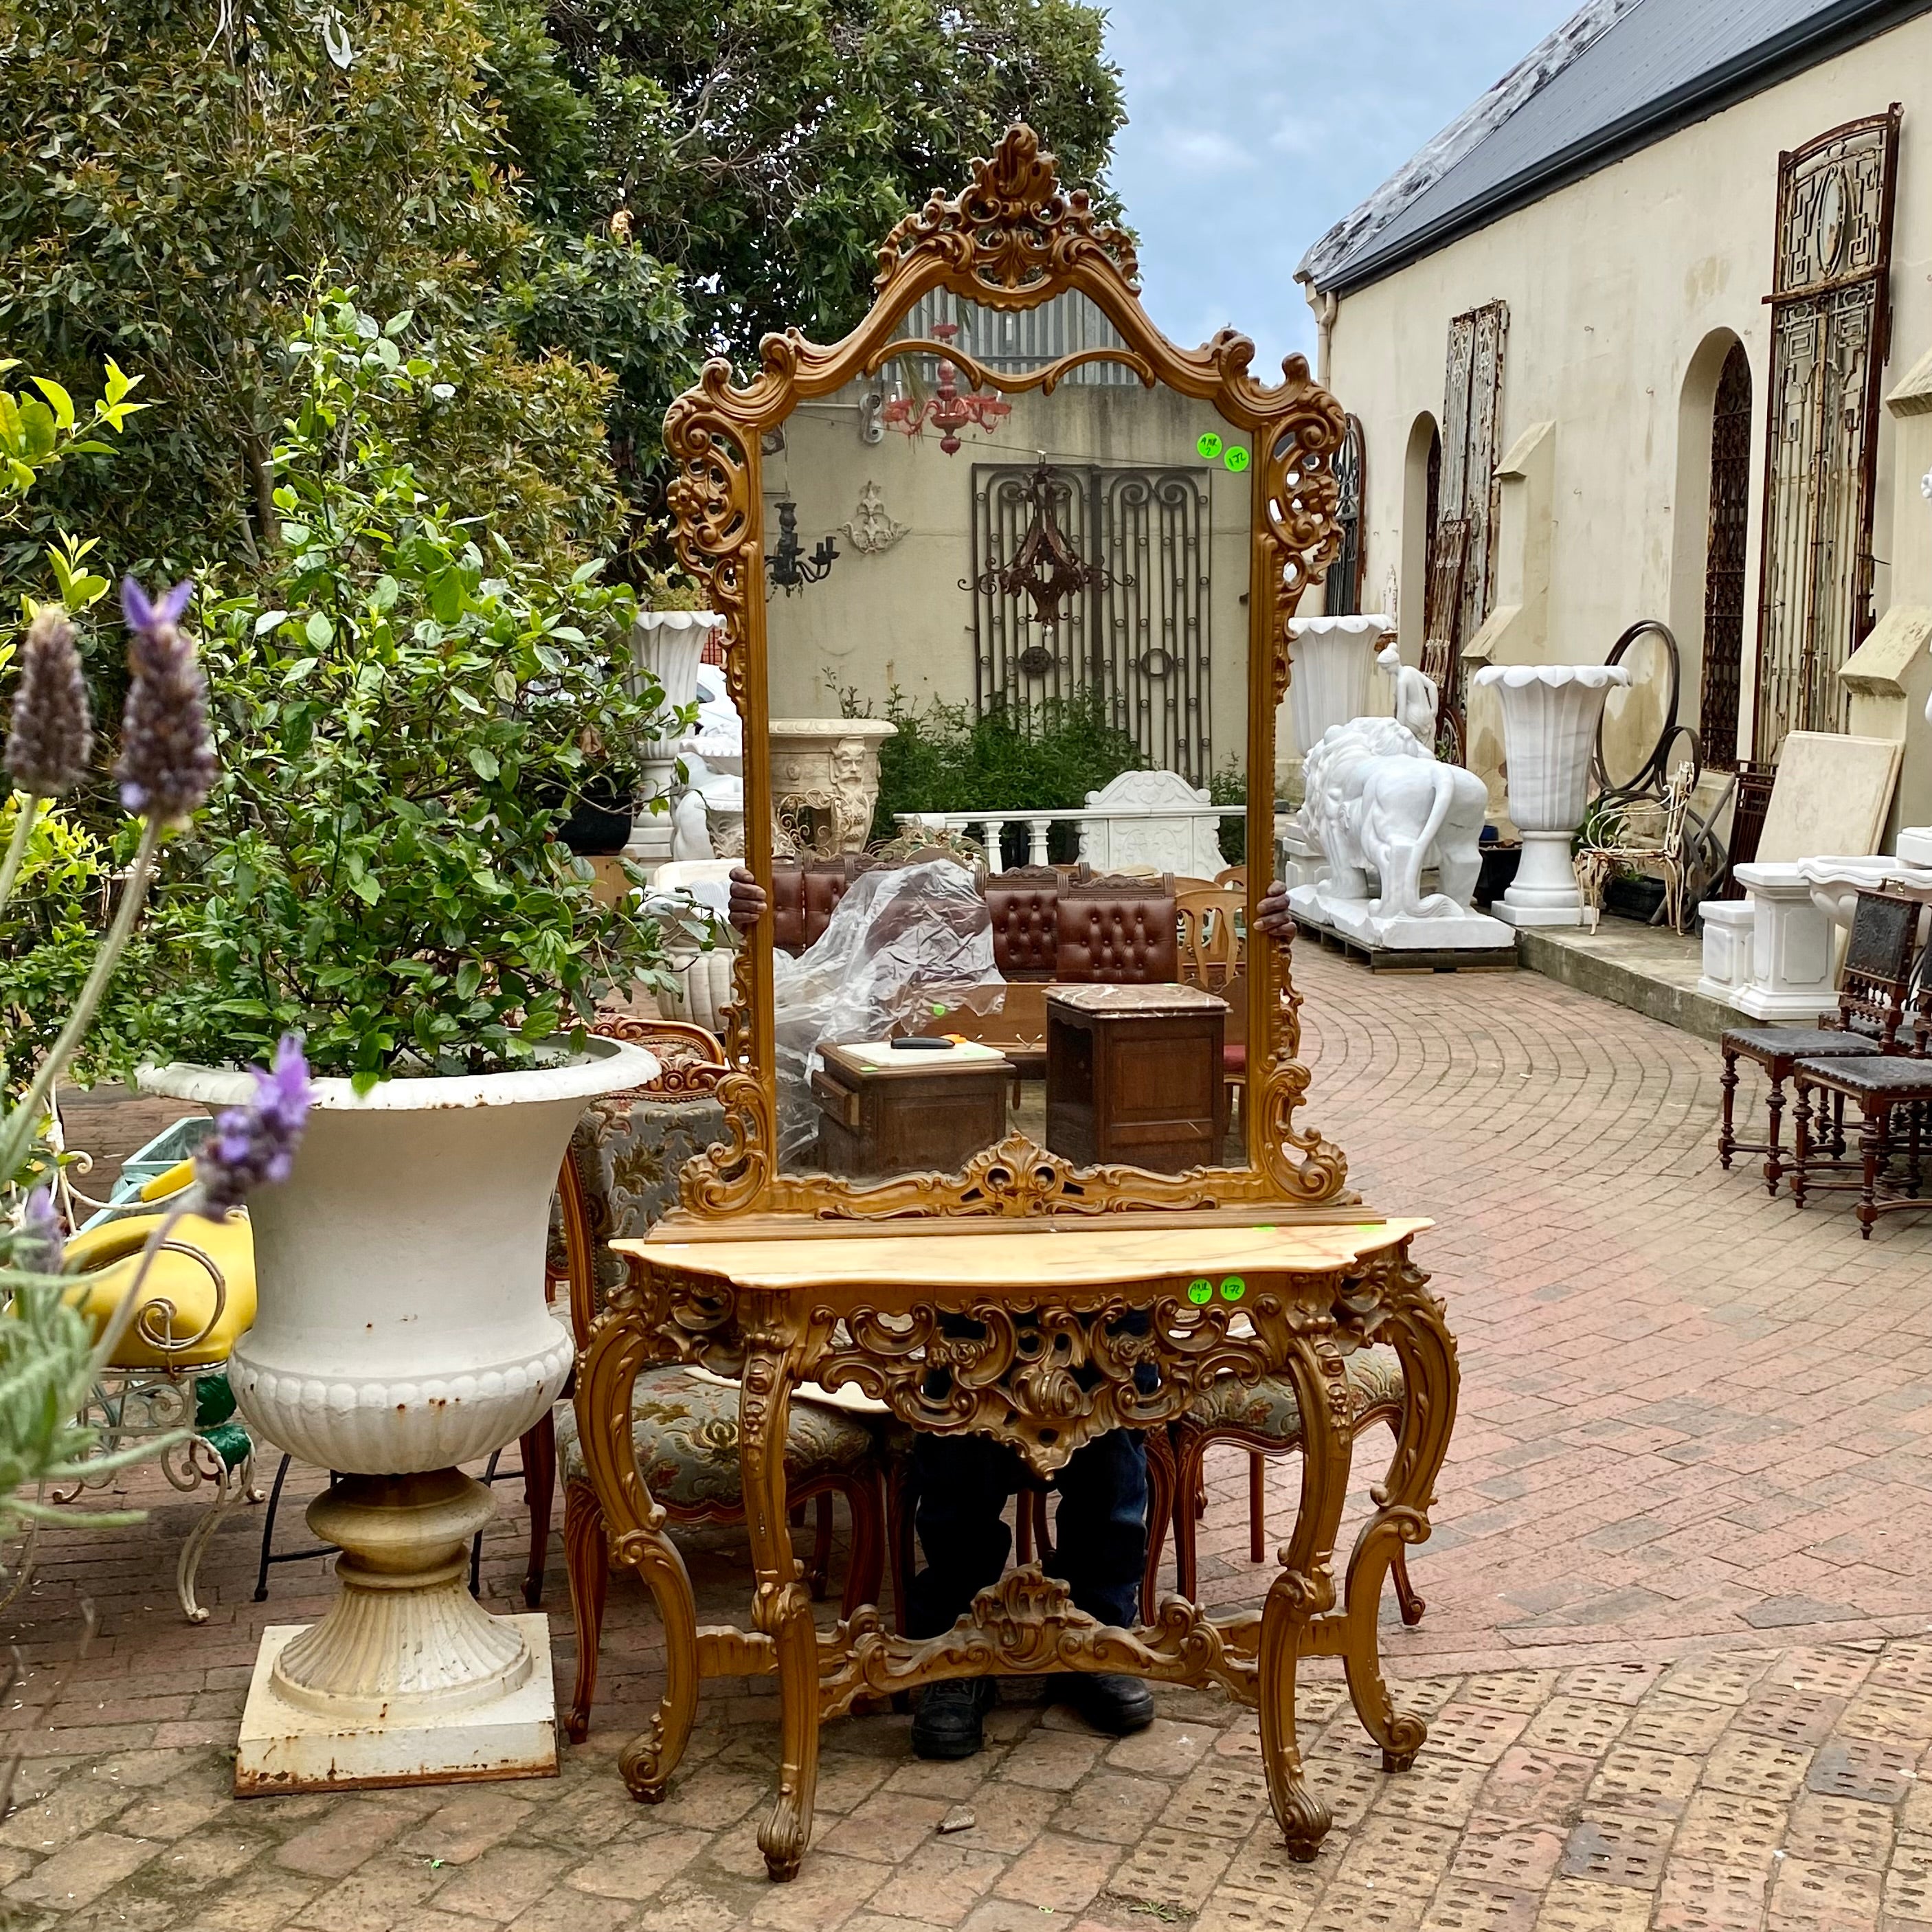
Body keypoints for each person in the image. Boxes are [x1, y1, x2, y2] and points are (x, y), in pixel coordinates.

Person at [721, 866, 1298, 1758]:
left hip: (1100, 1276)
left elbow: (1227, 1104)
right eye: (909, 928)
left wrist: (1268, 957)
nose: (929, 943)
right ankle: (955, 1642)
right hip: (955, 1290)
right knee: (955, 1444)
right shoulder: (854, 1024)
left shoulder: (1070, 1018)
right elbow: (771, 1087)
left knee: (1115, 1423)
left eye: (946, 927)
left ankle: (1099, 1629)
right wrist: (749, 946)